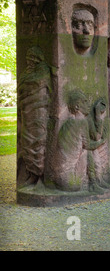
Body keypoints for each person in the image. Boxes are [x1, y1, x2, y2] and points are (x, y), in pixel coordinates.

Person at [17, 46, 51, 186]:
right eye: (27, 58)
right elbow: (21, 84)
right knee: (27, 140)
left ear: (38, 58)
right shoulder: (27, 72)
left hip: (39, 111)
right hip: (27, 111)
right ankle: (31, 173)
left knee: (39, 141)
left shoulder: (43, 69)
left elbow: (40, 81)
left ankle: (40, 174)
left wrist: (27, 82)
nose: (29, 60)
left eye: (31, 58)